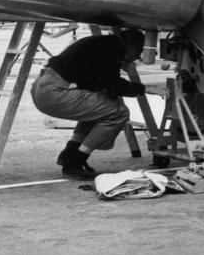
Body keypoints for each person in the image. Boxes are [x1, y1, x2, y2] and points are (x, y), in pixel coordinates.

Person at [30, 29, 169, 179]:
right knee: (118, 113)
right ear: (131, 46)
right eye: (139, 51)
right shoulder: (112, 49)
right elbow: (114, 85)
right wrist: (146, 88)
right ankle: (75, 163)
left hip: (43, 86)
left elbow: (98, 82)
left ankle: (68, 154)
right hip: (54, 92)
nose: (137, 56)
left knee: (100, 107)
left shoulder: (103, 44)